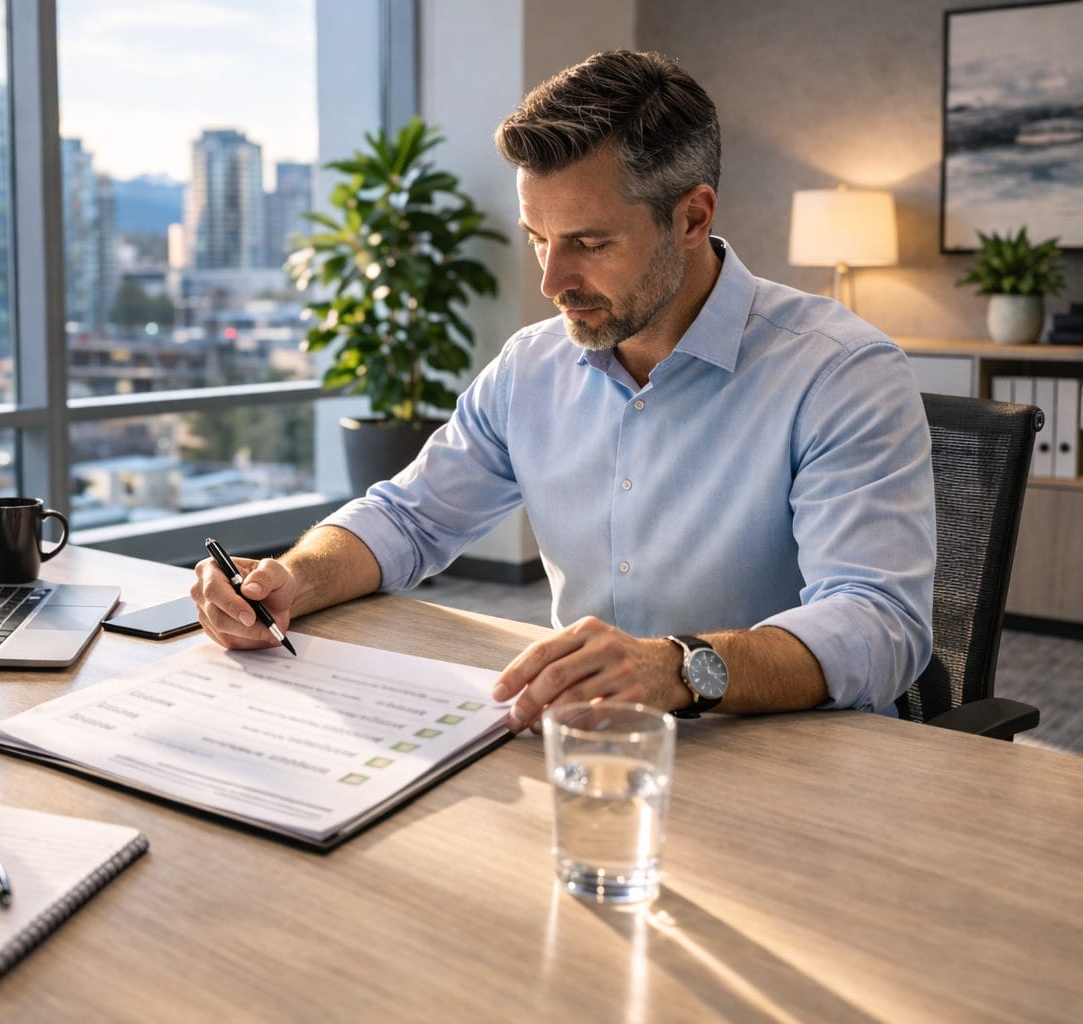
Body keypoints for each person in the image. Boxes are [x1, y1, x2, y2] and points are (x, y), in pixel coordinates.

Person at [191, 49, 935, 732]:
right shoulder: (532, 367)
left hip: (795, 754)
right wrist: (292, 577)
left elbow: (878, 624)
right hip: (593, 743)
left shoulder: (841, 373)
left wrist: (676, 668)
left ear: (692, 217)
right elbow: (408, 518)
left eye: (589, 242)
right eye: (539, 239)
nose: (551, 282)